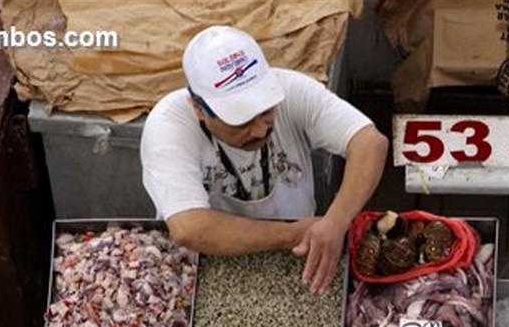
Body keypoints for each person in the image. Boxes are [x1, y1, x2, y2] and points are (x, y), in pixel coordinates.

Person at [141, 25, 388, 294]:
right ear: (199, 109)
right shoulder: (168, 125)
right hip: (205, 265)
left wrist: (335, 221)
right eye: (241, 121)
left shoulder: (291, 88)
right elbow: (189, 228)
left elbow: (370, 142)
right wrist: (292, 234)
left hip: (296, 258)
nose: (260, 130)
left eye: (266, 112)